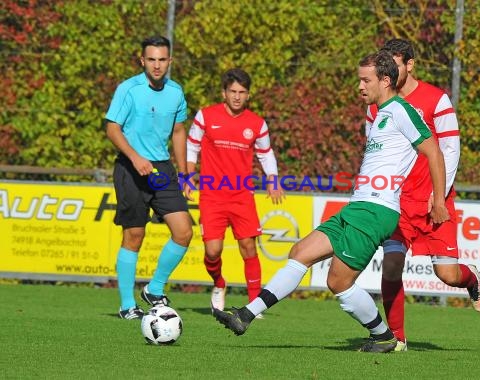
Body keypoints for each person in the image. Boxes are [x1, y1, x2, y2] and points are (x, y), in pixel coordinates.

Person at [212, 51, 450, 353]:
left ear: (385, 80)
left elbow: (435, 153)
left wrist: (438, 201)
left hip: (377, 210)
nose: (360, 87)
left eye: (366, 80)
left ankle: (384, 337)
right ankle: (245, 315)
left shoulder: (402, 111)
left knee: (338, 282)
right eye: (359, 80)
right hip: (359, 206)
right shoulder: (380, 114)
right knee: (300, 251)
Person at [366, 39, 480, 351]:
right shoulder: (377, 105)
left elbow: (450, 149)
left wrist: (438, 195)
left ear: (410, 65)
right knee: (392, 264)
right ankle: (397, 340)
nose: (390, 72)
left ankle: (470, 280)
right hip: (397, 202)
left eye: (396, 66)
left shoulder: (437, 100)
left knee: (447, 274)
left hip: (435, 199)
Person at [105, 35, 193, 319]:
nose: (157, 65)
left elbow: (179, 132)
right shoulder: (128, 90)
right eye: (151, 59)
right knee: (134, 234)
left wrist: (185, 173)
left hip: (162, 170)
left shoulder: (176, 92)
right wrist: (135, 157)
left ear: (170, 61)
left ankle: (154, 290)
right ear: (142, 61)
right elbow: (112, 128)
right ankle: (127, 305)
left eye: (162, 59)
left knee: (183, 231)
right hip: (131, 169)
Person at [186, 68, 285, 313]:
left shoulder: (256, 123)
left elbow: (265, 153)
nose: (237, 96)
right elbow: (192, 145)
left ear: (248, 95)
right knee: (213, 250)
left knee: (249, 247)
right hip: (212, 195)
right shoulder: (206, 116)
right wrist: (188, 176)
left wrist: (273, 179)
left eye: (242, 92)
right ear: (224, 93)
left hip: (242, 195)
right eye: (233, 91)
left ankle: (254, 305)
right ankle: (219, 283)